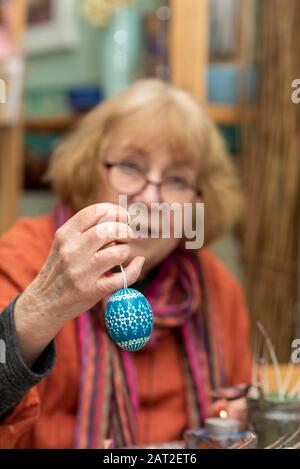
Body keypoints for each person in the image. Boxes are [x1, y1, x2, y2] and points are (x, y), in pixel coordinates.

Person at [0, 79, 251, 448]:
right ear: (89, 169)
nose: (151, 197)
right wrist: (43, 305)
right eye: (132, 166)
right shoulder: (25, 257)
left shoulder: (214, 286)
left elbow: (238, 407)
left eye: (177, 179)